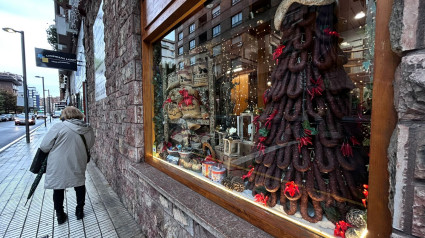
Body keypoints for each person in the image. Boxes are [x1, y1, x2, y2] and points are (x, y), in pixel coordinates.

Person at [40, 106, 94, 224]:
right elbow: (90, 145)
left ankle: (60, 215)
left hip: (58, 163)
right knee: (79, 184)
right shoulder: (87, 128)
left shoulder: (59, 127)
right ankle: (79, 211)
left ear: (65, 115)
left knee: (58, 187)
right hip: (78, 159)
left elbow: (44, 146)